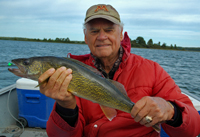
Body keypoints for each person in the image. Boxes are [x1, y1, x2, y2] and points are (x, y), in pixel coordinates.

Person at [39, 4, 200, 137]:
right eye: (94, 31)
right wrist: (65, 106)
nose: (102, 36)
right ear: (85, 36)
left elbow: (193, 129)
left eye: (109, 30)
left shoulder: (152, 70)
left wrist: (171, 110)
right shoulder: (71, 72)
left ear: (121, 34)